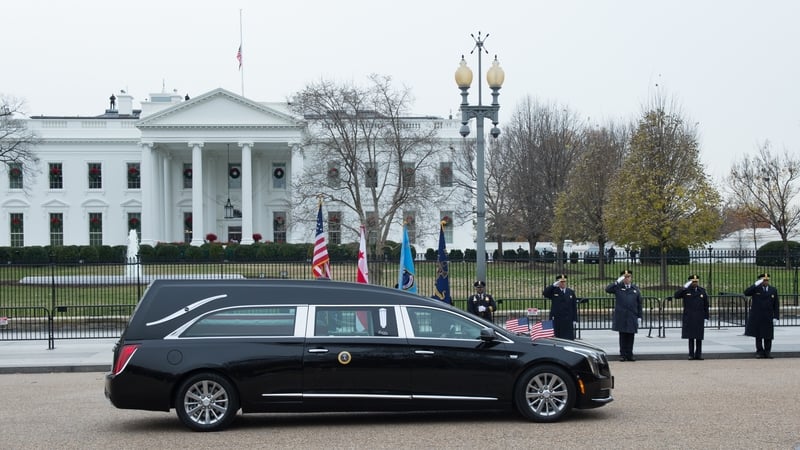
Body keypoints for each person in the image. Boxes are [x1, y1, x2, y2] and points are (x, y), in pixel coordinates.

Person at [605, 269, 643, 361]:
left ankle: (630, 354)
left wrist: (639, 317)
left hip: (632, 315)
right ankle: (622, 354)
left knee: (631, 335)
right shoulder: (618, 287)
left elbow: (639, 304)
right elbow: (607, 289)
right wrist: (617, 282)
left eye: (628, 277)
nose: (627, 279)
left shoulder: (635, 289)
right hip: (622, 315)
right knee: (622, 336)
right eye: (625, 277)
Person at [743, 273, 780, 358]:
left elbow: (776, 304)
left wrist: (776, 317)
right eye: (764, 280)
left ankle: (767, 351)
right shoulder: (756, 289)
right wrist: (755, 285)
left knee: (768, 335)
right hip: (758, 315)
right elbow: (746, 292)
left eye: (767, 280)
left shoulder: (773, 290)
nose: (766, 282)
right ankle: (759, 351)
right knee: (758, 335)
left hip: (768, 316)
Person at [674, 274, 710, 360]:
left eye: (696, 281)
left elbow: (706, 305)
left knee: (699, 337)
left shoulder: (702, 291)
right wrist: (684, 287)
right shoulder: (686, 291)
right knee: (691, 337)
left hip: (699, 317)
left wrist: (706, 316)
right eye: (693, 282)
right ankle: (691, 354)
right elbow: (676, 296)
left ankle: (698, 354)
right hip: (689, 316)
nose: (695, 283)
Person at [542, 274, 579, 339]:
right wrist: (553, 285)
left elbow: (574, 306)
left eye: (564, 282)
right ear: (558, 282)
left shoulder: (570, 292)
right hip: (557, 318)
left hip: (567, 318)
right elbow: (545, 293)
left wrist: (574, 319)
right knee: (557, 336)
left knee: (568, 337)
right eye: (561, 282)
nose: (563, 283)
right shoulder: (554, 291)